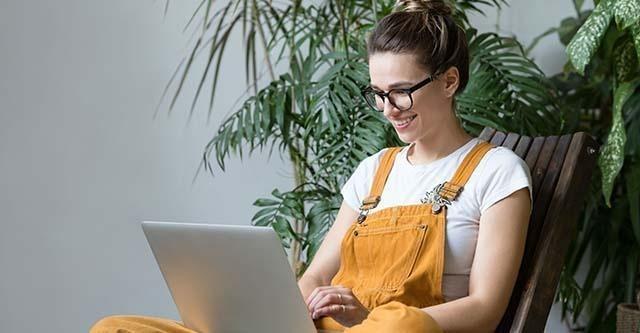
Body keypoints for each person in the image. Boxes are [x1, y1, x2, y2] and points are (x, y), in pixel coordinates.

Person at [90, 0, 532, 332]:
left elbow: (486, 308)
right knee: (114, 328)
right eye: (377, 93)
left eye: (400, 91)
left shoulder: (496, 173)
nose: (387, 109)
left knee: (400, 326)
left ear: (449, 81)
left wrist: (373, 320)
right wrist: (287, 314)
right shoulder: (374, 172)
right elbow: (317, 274)